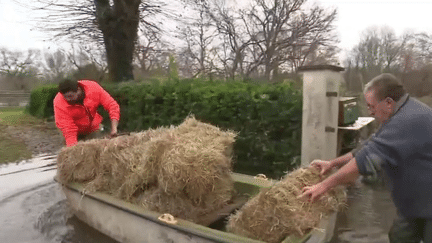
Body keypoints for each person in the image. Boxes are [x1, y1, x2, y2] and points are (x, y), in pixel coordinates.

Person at [300, 73, 432, 242]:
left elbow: (363, 162)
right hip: (413, 202)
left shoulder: (406, 121)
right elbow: (366, 148)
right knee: (399, 237)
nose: (371, 113)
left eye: (371, 107)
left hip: (428, 203)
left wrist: (322, 186)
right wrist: (332, 163)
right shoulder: (400, 113)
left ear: (389, 103)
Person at [53, 79, 120, 147]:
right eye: (65, 97)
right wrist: (73, 150)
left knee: (98, 148)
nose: (68, 100)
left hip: (92, 125)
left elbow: (112, 106)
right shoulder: (59, 103)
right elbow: (68, 130)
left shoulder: (93, 88)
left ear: (78, 90)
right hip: (71, 131)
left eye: (70, 96)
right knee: (73, 150)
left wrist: (114, 129)